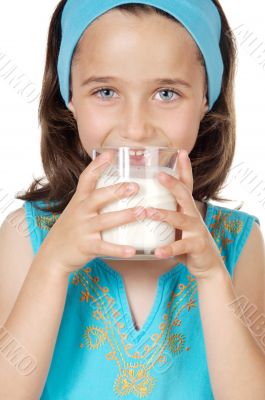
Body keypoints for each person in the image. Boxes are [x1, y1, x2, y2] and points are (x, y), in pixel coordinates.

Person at [0, 0, 265, 399]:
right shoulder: (26, 236)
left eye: (166, 93)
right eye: (106, 91)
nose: (136, 128)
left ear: (205, 100)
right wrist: (52, 265)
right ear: (70, 96)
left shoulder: (236, 244)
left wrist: (212, 277)